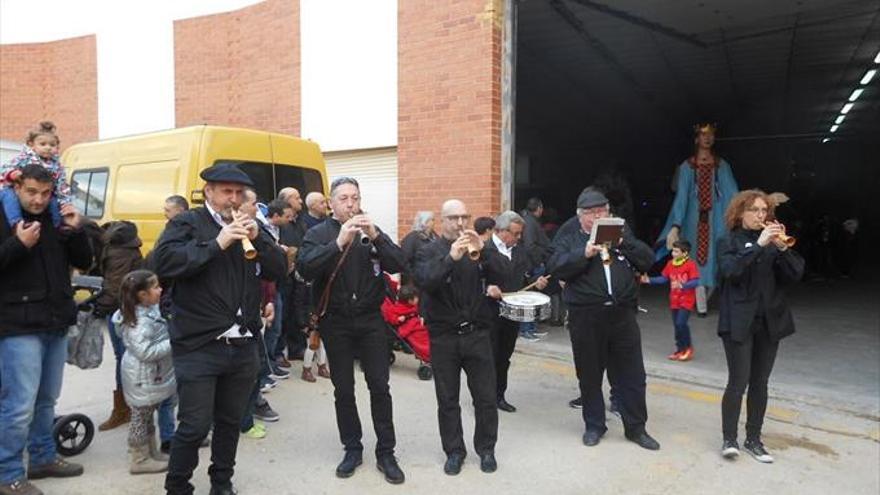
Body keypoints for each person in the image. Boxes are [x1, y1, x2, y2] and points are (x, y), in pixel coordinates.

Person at [153, 163, 286, 495]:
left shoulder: (251, 224)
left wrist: (261, 241)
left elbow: (280, 269)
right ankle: (178, 486)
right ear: (209, 192)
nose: (234, 199)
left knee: (229, 423)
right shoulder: (187, 222)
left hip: (243, 345)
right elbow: (163, 263)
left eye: (239, 193)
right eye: (227, 192)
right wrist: (217, 242)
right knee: (195, 425)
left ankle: (221, 482)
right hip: (200, 344)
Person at [297, 177, 407, 484]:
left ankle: (386, 452)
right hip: (337, 322)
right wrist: (337, 243)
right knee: (343, 389)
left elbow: (401, 262)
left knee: (380, 387)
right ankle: (352, 448)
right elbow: (304, 269)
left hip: (371, 320)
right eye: (344, 198)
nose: (351, 204)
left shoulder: (371, 231)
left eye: (355, 197)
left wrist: (377, 237)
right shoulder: (318, 233)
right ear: (331, 203)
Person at [0, 164, 92, 495]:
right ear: (17, 188)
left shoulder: (55, 217)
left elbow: (85, 261)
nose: (38, 200)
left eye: (45, 193)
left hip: (55, 319)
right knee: (18, 404)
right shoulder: (4, 216)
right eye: (31, 192)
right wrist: (17, 244)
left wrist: (76, 229)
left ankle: (42, 458)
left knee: (46, 400)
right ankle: (7, 473)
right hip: (17, 326)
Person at [547, 187, 660, 451]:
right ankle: (594, 425)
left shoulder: (620, 230)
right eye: (592, 213)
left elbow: (647, 260)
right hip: (586, 315)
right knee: (589, 372)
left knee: (632, 374)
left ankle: (636, 428)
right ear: (580, 215)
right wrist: (584, 254)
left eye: (603, 211)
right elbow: (555, 267)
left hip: (622, 313)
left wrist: (624, 242)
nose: (599, 217)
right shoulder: (568, 233)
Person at [414, 199, 505, 476]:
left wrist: (485, 251)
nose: (461, 223)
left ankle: (486, 449)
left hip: (477, 334)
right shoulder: (429, 250)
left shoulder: (478, 249)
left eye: (465, 217)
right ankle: (454, 451)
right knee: (448, 399)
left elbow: (506, 274)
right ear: (442, 220)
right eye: (454, 218)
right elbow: (426, 281)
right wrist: (451, 258)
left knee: (486, 397)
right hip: (444, 337)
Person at [717, 190, 804, 463]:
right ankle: (729, 439)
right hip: (738, 322)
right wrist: (757, 246)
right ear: (740, 213)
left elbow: (796, 274)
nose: (760, 215)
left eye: (764, 210)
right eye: (754, 210)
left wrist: (782, 248)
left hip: (770, 320)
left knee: (760, 382)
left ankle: (754, 439)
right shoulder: (727, 241)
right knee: (738, 381)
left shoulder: (772, 243)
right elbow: (731, 272)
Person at [657, 123, 739, 316]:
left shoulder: (721, 165)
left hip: (716, 220)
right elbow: (682, 196)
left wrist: (739, 214)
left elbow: (732, 193)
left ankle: (705, 297)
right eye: (703, 135)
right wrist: (676, 224)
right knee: (694, 259)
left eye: (711, 135)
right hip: (693, 221)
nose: (708, 138)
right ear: (697, 139)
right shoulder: (688, 167)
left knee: (717, 257)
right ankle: (701, 302)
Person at [484, 211, 549, 411]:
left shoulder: (519, 251)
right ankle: (485, 397)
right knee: (489, 358)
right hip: (488, 314)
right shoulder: (484, 250)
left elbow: (523, 277)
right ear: (502, 232)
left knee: (504, 356)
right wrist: (486, 288)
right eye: (516, 233)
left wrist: (535, 283)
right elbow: (469, 281)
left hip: (511, 315)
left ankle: (499, 396)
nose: (519, 238)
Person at [113, 270, 176, 475]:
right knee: (140, 418)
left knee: (147, 416)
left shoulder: (147, 312)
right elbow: (145, 352)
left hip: (149, 375)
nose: (160, 290)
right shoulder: (139, 322)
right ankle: (139, 459)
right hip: (142, 377)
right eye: (156, 287)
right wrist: (173, 342)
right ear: (142, 295)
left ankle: (151, 452)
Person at [93, 221, 145, 432]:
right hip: (128, 309)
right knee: (127, 359)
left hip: (120, 311)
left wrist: (101, 305)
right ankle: (129, 408)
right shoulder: (133, 248)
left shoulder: (115, 252)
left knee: (123, 359)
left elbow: (114, 286)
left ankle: (126, 409)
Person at [0, 121, 70, 230]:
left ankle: (58, 226)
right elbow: (4, 169)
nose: (48, 148)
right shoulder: (24, 158)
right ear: (31, 145)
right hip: (13, 189)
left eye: (52, 145)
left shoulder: (57, 165)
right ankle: (16, 222)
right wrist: (12, 174)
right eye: (43, 144)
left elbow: (62, 186)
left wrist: (66, 203)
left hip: (45, 193)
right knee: (9, 197)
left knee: (54, 202)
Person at [641, 239, 700, 361]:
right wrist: (649, 280)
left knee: (681, 323)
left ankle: (688, 348)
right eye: (673, 251)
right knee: (677, 326)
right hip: (674, 300)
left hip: (686, 300)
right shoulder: (670, 264)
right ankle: (679, 349)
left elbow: (695, 281)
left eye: (676, 251)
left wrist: (683, 285)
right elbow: (664, 279)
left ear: (685, 253)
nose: (673, 253)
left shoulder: (690, 265)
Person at [399, 211, 437, 280]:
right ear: (425, 222)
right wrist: (413, 278)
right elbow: (404, 261)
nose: (434, 222)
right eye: (432, 220)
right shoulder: (411, 239)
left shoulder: (435, 237)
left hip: (432, 280)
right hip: (415, 282)